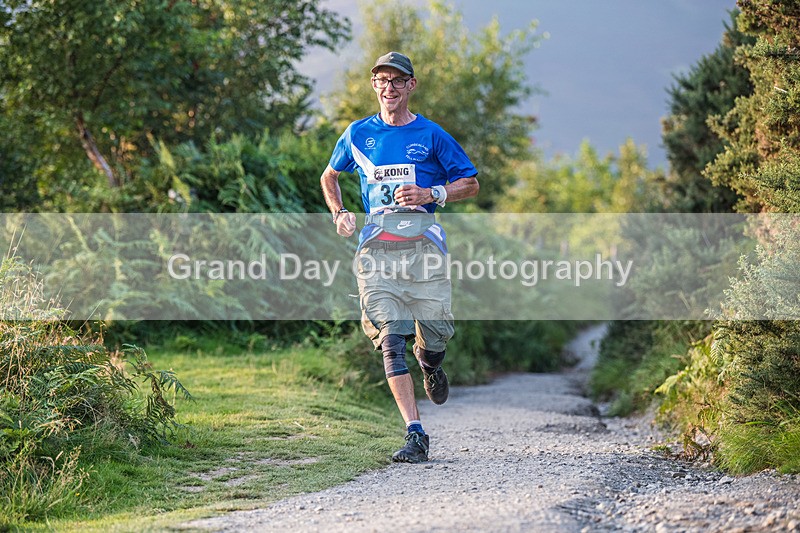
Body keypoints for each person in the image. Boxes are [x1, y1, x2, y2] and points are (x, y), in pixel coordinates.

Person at [319, 51, 479, 463]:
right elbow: (330, 175)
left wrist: (432, 194)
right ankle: (415, 432)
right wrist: (339, 213)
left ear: (411, 86)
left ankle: (432, 364)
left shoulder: (431, 135)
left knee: (434, 337)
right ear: (374, 86)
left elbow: (471, 183)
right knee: (391, 340)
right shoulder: (357, 134)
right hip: (376, 248)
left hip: (425, 247)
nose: (388, 88)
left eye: (396, 81)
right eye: (381, 80)